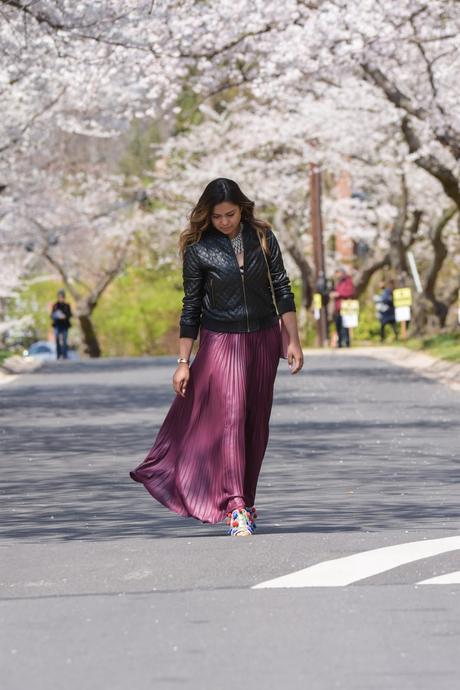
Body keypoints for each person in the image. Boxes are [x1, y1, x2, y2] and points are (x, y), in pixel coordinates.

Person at [129, 178, 303, 536]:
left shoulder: (264, 238)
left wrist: (293, 340)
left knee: (256, 422)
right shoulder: (198, 249)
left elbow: (282, 287)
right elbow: (190, 305)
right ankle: (234, 504)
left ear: (243, 209)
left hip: (264, 338)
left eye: (231, 214)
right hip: (221, 340)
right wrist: (182, 362)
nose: (225, 221)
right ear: (206, 216)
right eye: (217, 216)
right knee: (232, 418)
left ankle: (247, 502)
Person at [330, 267, 354, 348]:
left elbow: (350, 292)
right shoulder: (338, 282)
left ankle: (347, 342)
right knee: (338, 325)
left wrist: (338, 294)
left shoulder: (348, 281)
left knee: (345, 325)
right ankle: (339, 342)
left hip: (345, 306)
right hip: (337, 307)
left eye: (339, 273)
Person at [50, 289, 72, 359]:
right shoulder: (55, 305)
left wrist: (65, 316)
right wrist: (57, 316)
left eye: (62, 297)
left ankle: (65, 355)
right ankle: (58, 355)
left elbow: (70, 314)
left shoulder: (67, 305)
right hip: (57, 325)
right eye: (60, 297)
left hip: (65, 325)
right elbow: (52, 315)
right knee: (57, 340)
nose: (61, 298)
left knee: (64, 340)